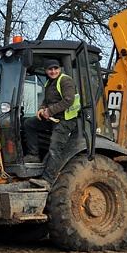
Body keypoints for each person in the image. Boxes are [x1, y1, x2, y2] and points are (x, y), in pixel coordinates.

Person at [23, 58, 80, 191]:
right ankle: (33, 155)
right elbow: (46, 100)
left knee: (55, 146)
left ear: (60, 69)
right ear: (46, 71)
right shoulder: (49, 83)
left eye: (55, 68)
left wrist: (50, 111)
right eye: (50, 69)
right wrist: (42, 109)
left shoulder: (66, 81)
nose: (53, 71)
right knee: (29, 124)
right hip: (53, 118)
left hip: (66, 120)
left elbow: (69, 101)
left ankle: (47, 180)